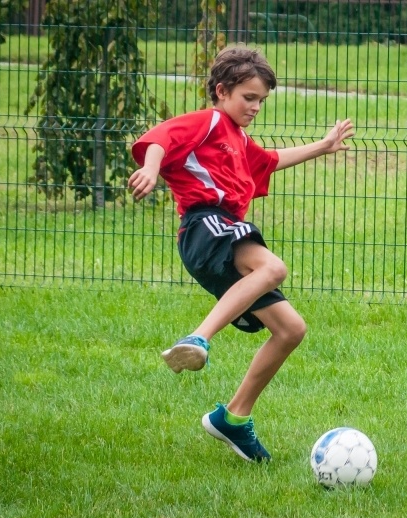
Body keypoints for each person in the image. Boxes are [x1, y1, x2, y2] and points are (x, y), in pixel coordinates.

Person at [128, 46, 354, 463]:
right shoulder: (210, 120)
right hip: (205, 225)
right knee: (273, 266)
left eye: (261, 100)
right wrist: (152, 168)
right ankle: (197, 338)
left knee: (290, 329)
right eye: (248, 97)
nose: (255, 106)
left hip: (221, 233)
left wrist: (321, 146)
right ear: (221, 91)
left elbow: (268, 160)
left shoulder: (238, 138)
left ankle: (233, 419)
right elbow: (162, 137)